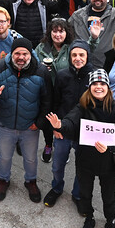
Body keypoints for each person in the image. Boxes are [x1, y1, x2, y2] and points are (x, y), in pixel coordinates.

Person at [47, 69, 115, 228]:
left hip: (109, 163)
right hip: (86, 161)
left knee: (109, 196)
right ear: (89, 87)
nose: (98, 87)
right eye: (95, 84)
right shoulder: (82, 106)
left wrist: (109, 146)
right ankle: (88, 217)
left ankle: (110, 222)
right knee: (85, 193)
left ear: (108, 87)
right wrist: (60, 125)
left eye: (102, 84)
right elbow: (71, 122)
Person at [0, 37, 52, 204]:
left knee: (31, 158)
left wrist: (39, 123)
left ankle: (31, 181)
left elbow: (48, 100)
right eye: (17, 53)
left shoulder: (41, 72)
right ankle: (3, 180)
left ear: (31, 54)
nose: (21, 57)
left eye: (25, 54)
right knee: (4, 157)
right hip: (5, 125)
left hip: (30, 126)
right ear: (12, 54)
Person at [44, 39, 91, 209]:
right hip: (63, 130)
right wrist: (55, 128)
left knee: (82, 167)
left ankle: (77, 195)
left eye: (81, 54)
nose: (78, 58)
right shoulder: (63, 75)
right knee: (57, 165)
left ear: (87, 56)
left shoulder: (94, 76)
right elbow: (55, 103)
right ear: (70, 56)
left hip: (84, 132)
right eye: (74, 55)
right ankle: (56, 188)